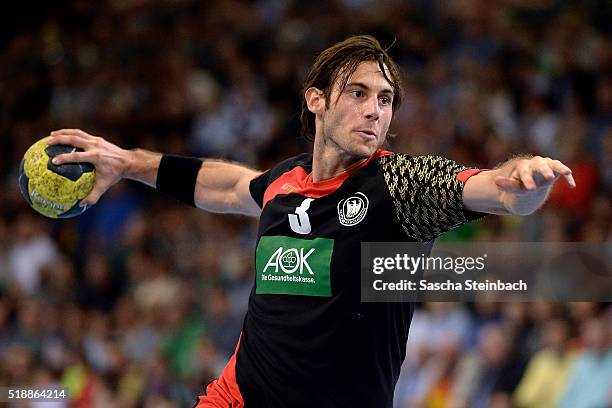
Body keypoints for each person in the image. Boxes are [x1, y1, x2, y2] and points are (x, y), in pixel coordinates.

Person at [48, 35, 575, 408]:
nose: (376, 111)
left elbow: (491, 191)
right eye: (359, 93)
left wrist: (521, 181)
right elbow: (227, 185)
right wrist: (129, 163)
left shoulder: (400, 186)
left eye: (387, 99)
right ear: (316, 100)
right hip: (237, 397)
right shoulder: (285, 183)